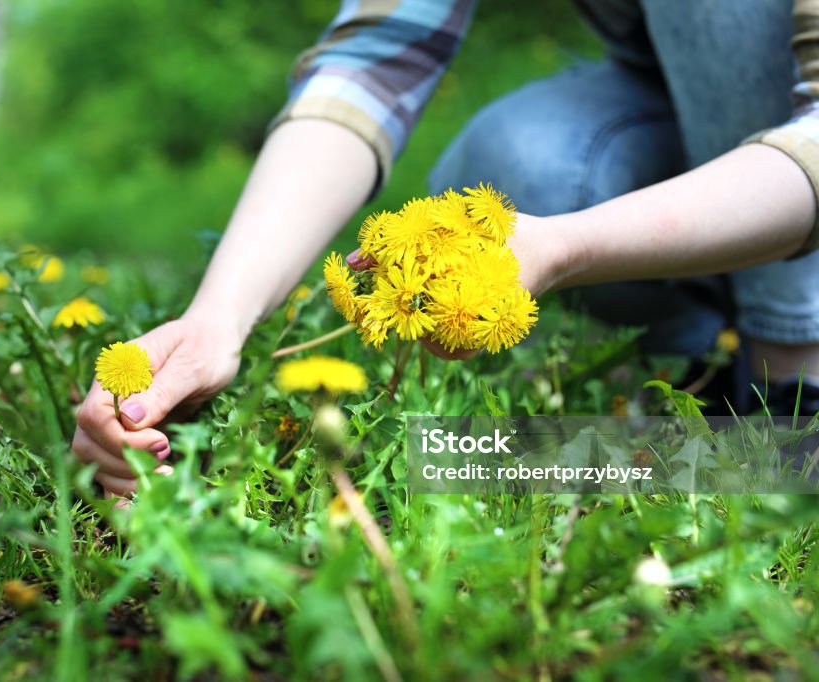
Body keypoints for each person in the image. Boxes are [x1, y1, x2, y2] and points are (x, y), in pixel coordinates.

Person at [73, 0, 819, 496]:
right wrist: (217, 320)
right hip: (673, 99)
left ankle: (787, 386)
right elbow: (377, 58)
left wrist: (561, 247)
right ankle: (701, 365)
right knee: (520, 161)